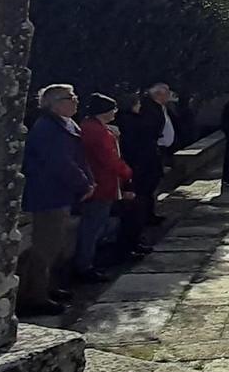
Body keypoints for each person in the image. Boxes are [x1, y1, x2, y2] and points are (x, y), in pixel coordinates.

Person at [20, 83, 92, 314]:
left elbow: (77, 157)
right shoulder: (47, 128)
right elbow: (60, 163)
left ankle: (49, 288)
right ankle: (35, 298)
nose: (75, 101)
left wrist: (87, 181)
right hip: (48, 195)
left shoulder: (65, 125)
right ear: (53, 104)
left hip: (60, 194)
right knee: (45, 247)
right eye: (69, 97)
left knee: (56, 245)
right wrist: (83, 184)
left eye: (74, 96)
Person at [76, 94, 132, 280]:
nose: (115, 112)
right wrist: (126, 172)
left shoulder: (95, 127)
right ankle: (85, 266)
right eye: (113, 108)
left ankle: (90, 261)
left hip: (102, 183)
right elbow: (109, 159)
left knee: (98, 224)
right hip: (101, 183)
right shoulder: (96, 132)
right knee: (93, 227)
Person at [118, 81, 179, 251]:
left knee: (149, 190)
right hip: (144, 160)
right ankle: (138, 230)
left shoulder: (158, 108)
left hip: (152, 155)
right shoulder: (143, 113)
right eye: (166, 93)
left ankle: (149, 217)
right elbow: (144, 134)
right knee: (141, 194)